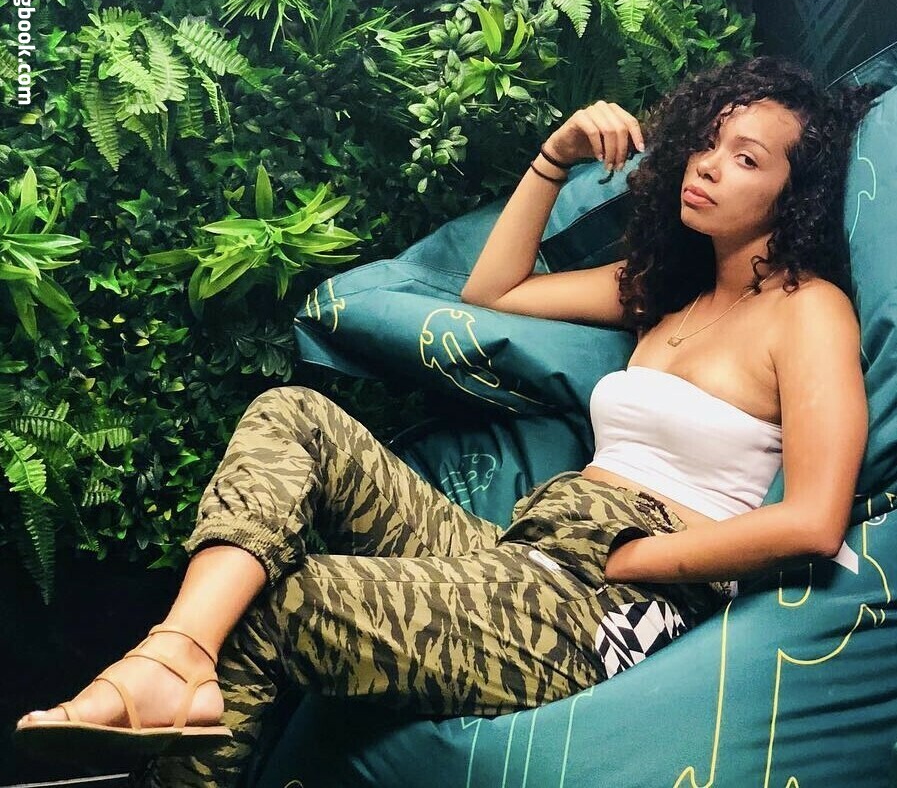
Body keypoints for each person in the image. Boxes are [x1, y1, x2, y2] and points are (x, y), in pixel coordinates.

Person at [15, 56, 878, 787]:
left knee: (289, 600)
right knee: (294, 413)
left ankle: (167, 681)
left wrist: (633, 557)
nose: (708, 165)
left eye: (745, 157)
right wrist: (553, 156)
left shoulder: (807, 310)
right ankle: (174, 656)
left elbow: (811, 520)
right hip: (529, 547)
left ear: (793, 194)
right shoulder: (665, 293)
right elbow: (493, 291)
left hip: (613, 598)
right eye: (707, 142)